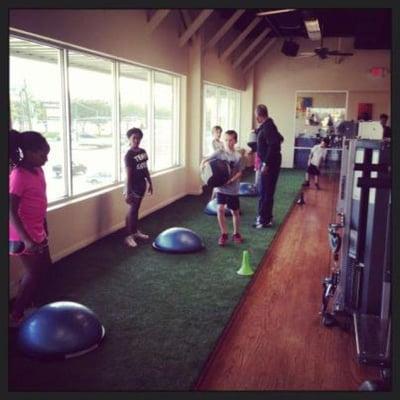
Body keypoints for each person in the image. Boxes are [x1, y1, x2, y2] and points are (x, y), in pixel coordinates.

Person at [9, 130, 52, 327]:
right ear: (28, 152)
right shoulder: (18, 175)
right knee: (33, 273)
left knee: (42, 269)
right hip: (20, 235)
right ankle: (16, 315)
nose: (46, 159)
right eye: (42, 154)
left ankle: (29, 304)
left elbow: (39, 202)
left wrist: (43, 228)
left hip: (36, 229)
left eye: (47, 154)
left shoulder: (38, 170)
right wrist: (26, 239)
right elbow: (10, 211)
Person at [200, 130, 245, 246]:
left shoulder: (238, 156)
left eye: (231, 140)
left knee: (235, 211)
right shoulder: (219, 152)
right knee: (220, 209)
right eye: (226, 140)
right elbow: (206, 160)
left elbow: (240, 172)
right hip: (221, 188)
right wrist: (203, 167)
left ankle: (236, 233)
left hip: (232, 189)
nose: (228, 142)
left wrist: (230, 180)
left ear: (235, 141)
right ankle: (224, 234)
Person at [253, 105, 284, 228]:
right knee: (264, 190)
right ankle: (265, 216)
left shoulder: (268, 127)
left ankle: (264, 220)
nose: (256, 119)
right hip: (270, 163)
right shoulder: (268, 125)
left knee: (266, 192)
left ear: (259, 116)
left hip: (269, 164)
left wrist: (266, 163)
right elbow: (280, 138)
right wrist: (256, 132)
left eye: (256, 116)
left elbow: (274, 145)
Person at [123, 127, 153, 248]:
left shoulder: (143, 152)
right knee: (132, 210)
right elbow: (128, 175)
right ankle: (128, 236)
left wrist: (150, 182)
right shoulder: (128, 155)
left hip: (142, 184)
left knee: (135, 210)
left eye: (138, 138)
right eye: (134, 138)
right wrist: (128, 191)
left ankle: (135, 232)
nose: (136, 140)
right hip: (133, 186)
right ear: (129, 139)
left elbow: (145, 168)